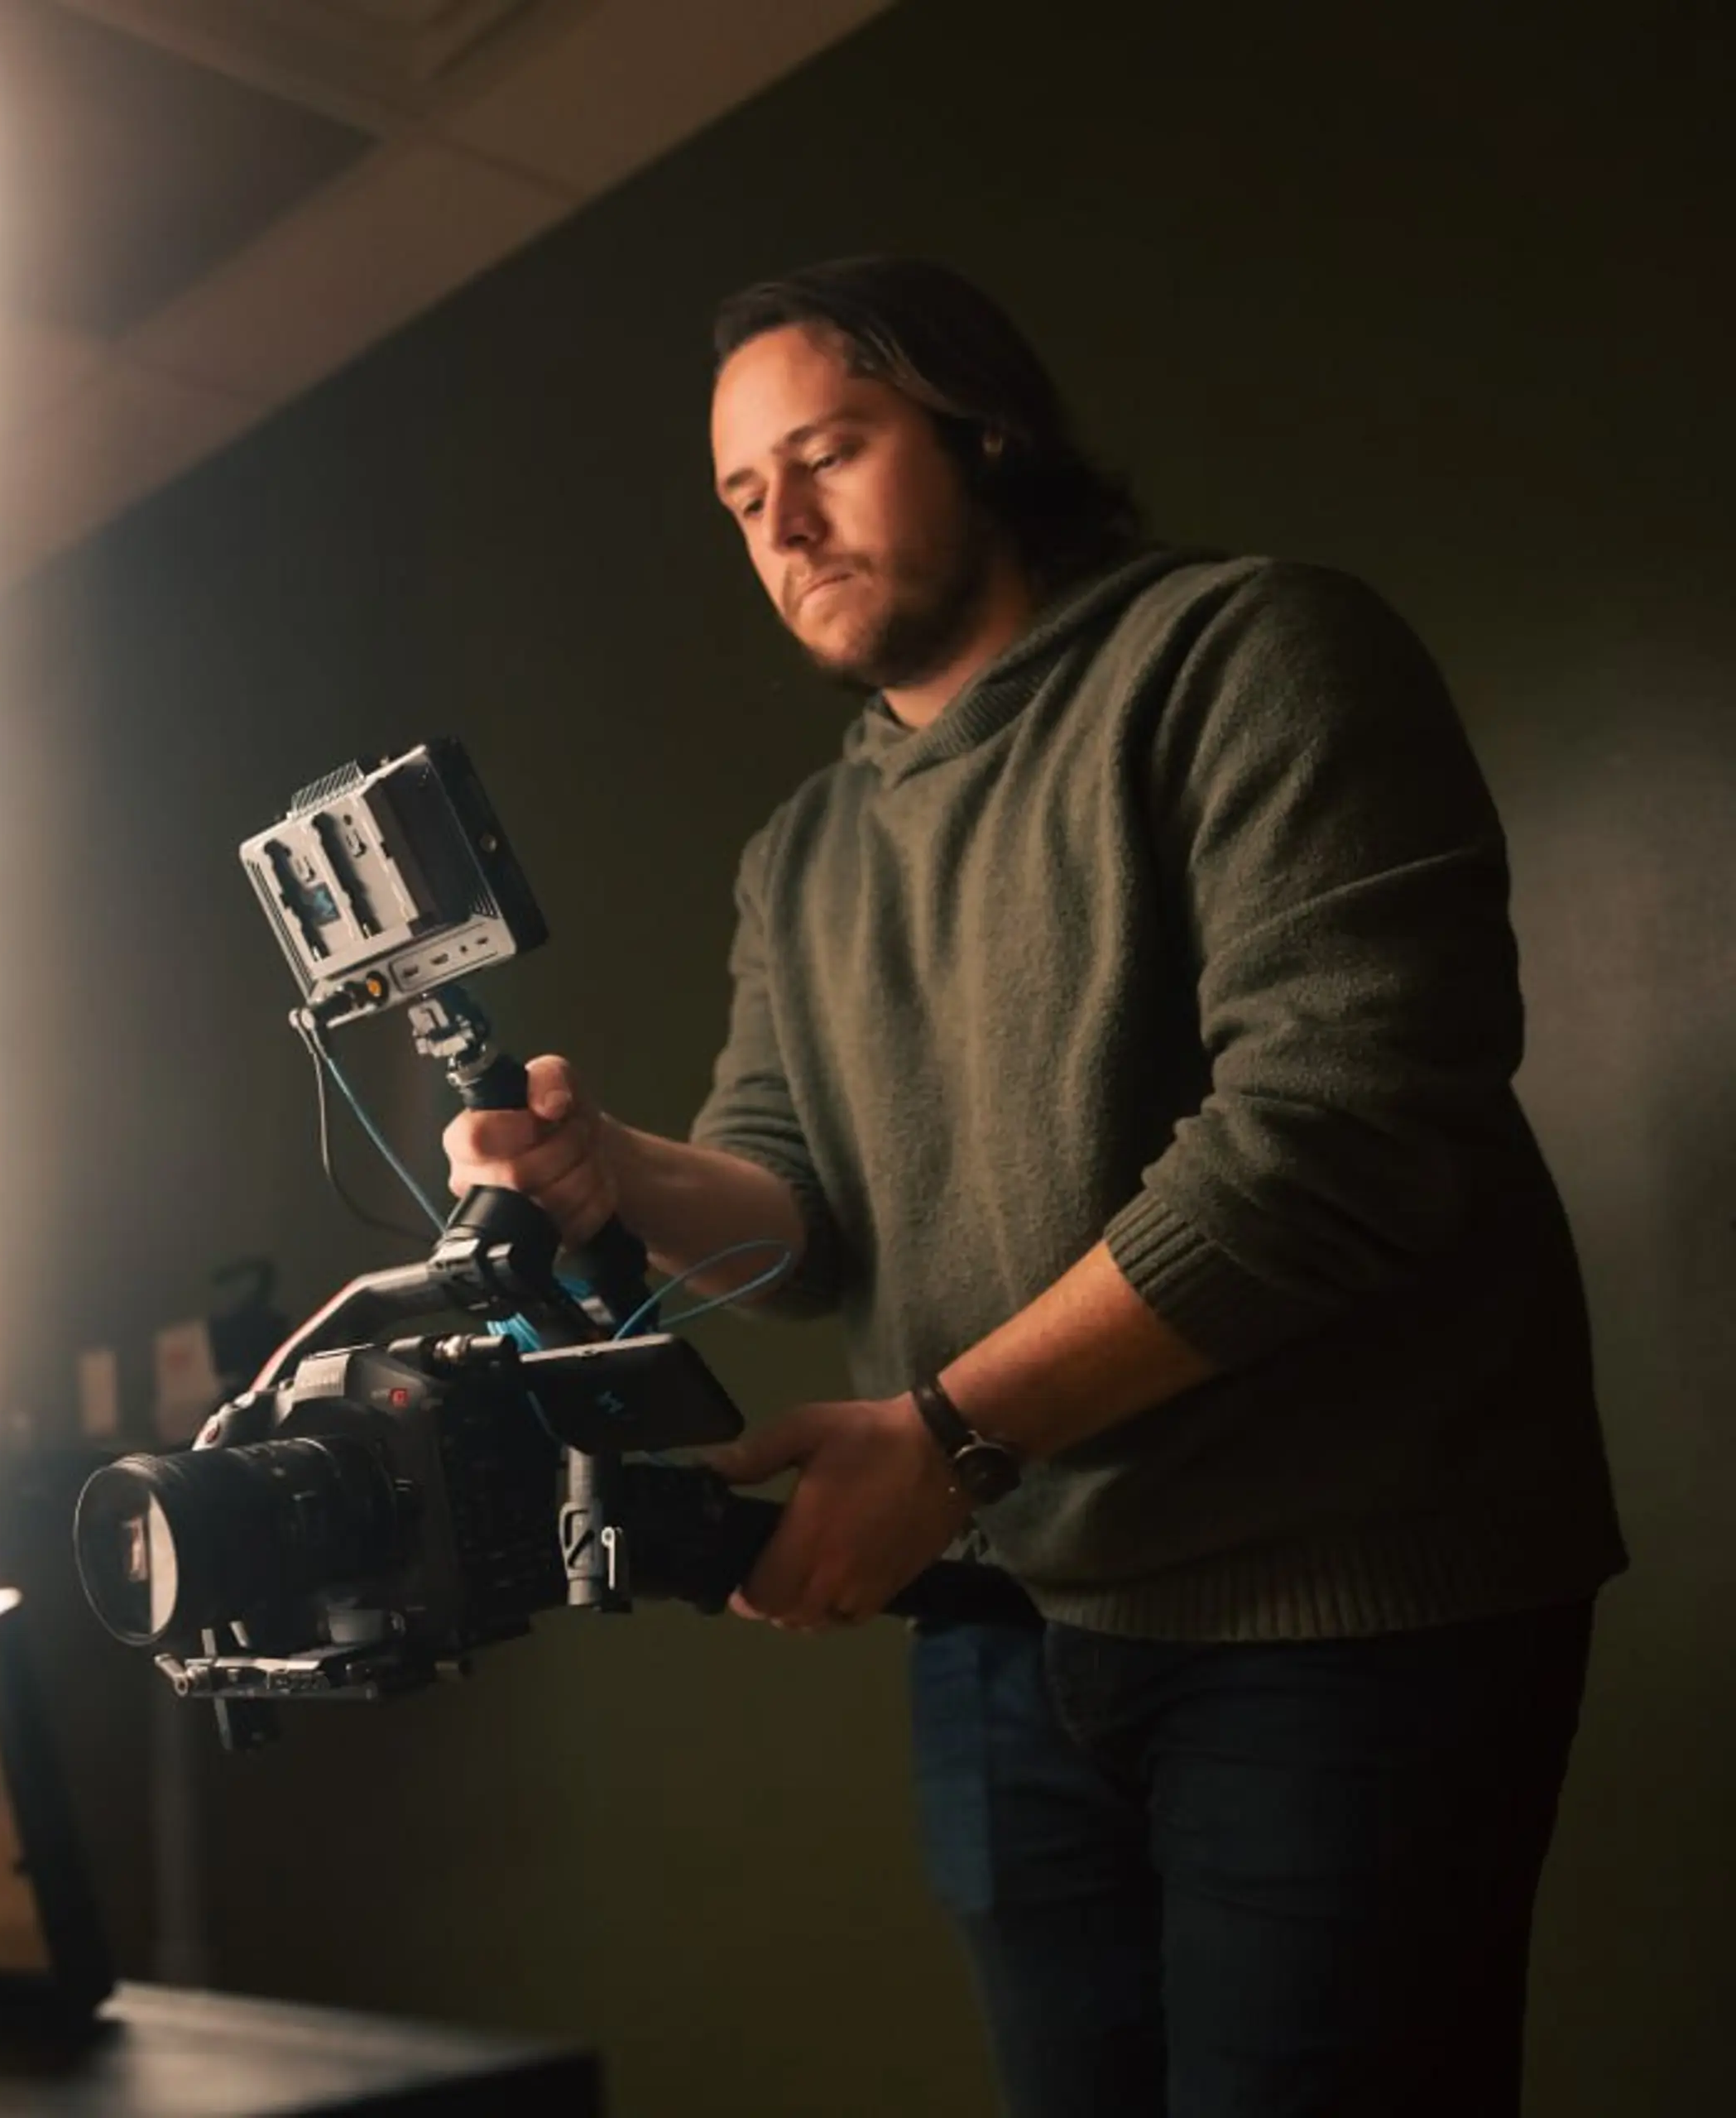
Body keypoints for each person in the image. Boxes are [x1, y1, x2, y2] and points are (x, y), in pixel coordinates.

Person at [443, 257, 1623, 2117]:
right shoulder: (804, 852)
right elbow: (792, 1201)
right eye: (745, 500)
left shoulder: (1250, 652)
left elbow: (1341, 1128)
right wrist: (619, 1179)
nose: (786, 526)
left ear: (981, 427)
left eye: (824, 454)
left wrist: (951, 1439)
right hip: (1003, 1628)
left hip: (1330, 1614)